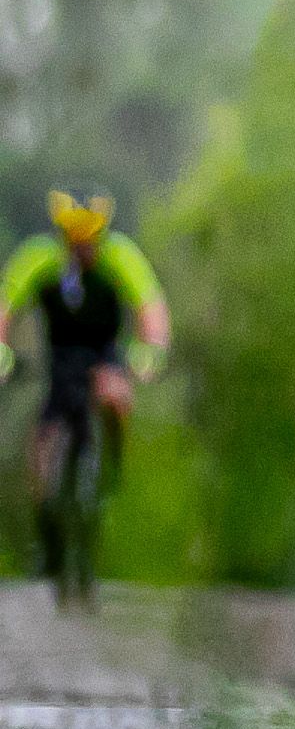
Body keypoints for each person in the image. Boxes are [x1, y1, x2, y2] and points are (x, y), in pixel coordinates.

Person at [8, 188, 168, 587]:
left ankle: (113, 469)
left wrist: (150, 350)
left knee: (114, 394)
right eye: (73, 240)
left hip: (104, 354)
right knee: (43, 442)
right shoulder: (41, 257)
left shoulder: (119, 255)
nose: (81, 249)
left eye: (89, 241)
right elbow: (6, 305)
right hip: (60, 359)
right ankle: (46, 534)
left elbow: (151, 308)